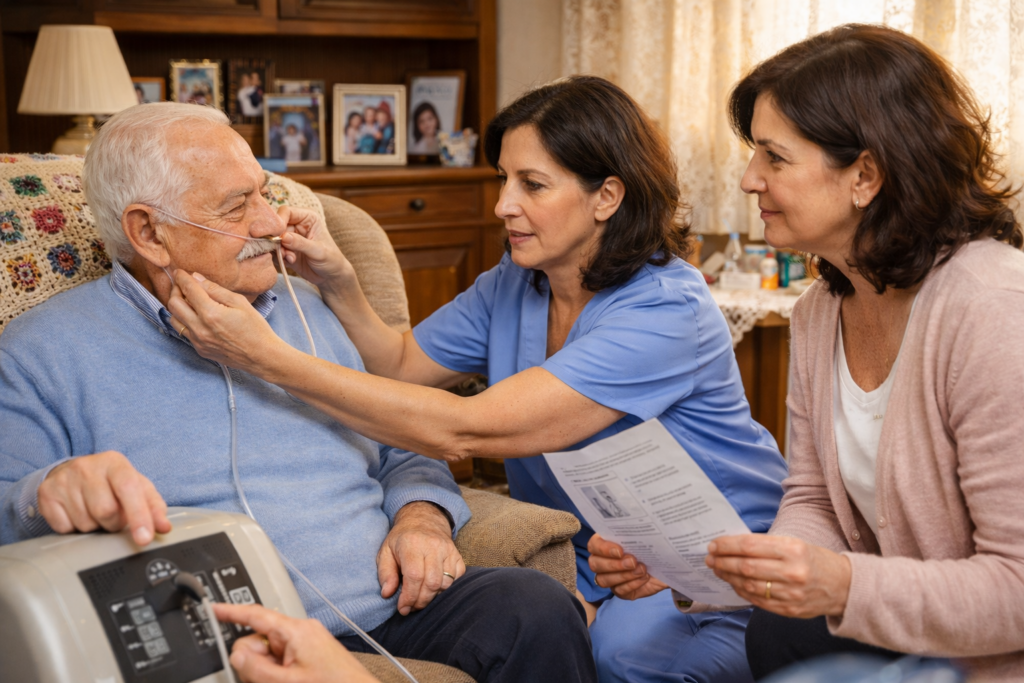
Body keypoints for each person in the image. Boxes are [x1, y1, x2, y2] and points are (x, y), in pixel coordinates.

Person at [168, 76, 787, 683]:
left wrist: (265, 356)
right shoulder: (516, 280)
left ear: (607, 197)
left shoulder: (666, 310)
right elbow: (403, 366)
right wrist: (337, 279)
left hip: (717, 554)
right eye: (503, 179)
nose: (502, 205)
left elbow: (462, 430)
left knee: (633, 664)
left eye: (532, 185)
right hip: (601, 554)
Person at [0, 102, 597, 683]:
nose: (269, 223)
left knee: (534, 608)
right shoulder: (43, 351)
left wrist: (423, 518)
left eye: (264, 193)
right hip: (222, 636)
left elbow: (406, 445)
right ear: (149, 232)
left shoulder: (310, 309)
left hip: (388, 603)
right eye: (238, 207)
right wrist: (44, 495)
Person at [595, 24, 1024, 682]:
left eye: (774, 157)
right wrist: (703, 566)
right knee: (773, 631)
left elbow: (1017, 587)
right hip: (905, 635)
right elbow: (817, 501)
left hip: (992, 654)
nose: (746, 179)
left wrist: (845, 585)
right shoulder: (821, 311)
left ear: (866, 175)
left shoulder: (991, 309)